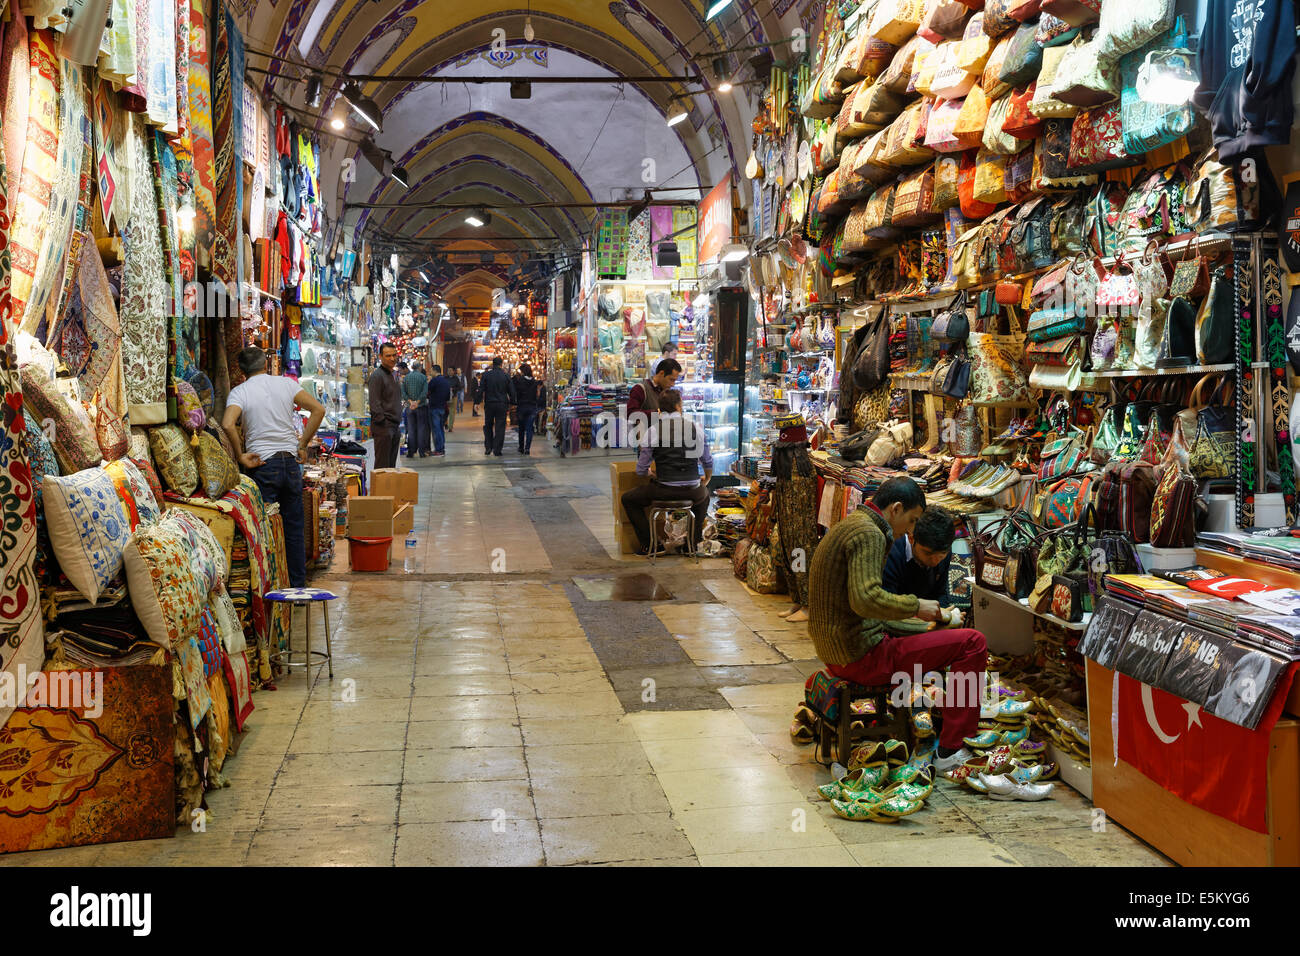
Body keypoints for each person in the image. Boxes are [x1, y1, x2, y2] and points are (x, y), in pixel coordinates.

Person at [807, 477, 988, 775]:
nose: (911, 529)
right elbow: (866, 600)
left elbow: (866, 607)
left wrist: (924, 624)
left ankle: (937, 723)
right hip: (862, 657)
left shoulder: (852, 525)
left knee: (951, 637)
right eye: (912, 520)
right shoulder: (870, 534)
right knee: (973, 642)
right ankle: (951, 748)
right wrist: (920, 607)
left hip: (840, 651)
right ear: (896, 508)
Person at [221, 347, 326, 588]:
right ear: (266, 363)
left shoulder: (240, 391)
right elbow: (319, 410)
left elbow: (227, 424)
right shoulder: (286, 384)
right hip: (290, 463)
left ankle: (271, 588)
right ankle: (297, 587)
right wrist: (302, 443)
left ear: (241, 370)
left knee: (264, 528)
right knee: (293, 529)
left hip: (263, 465)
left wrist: (240, 456)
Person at [620, 389, 712, 557]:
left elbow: (640, 470)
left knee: (628, 499)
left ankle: (651, 545)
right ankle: (691, 544)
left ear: (660, 410)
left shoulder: (654, 431)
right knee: (704, 496)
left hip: (664, 490)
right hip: (693, 490)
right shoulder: (696, 429)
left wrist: (651, 474)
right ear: (679, 406)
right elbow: (707, 461)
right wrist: (706, 480)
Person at [882, 506, 958, 632]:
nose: (935, 561)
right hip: (896, 626)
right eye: (928, 553)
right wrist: (929, 626)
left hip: (927, 622)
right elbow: (887, 610)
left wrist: (946, 618)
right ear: (911, 538)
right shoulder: (891, 553)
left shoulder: (943, 552)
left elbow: (940, 593)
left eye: (942, 554)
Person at [367, 342, 402, 468]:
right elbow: (374, 403)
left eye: (394, 355)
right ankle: (381, 489)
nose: (392, 358)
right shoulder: (377, 376)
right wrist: (383, 423)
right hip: (384, 427)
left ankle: (389, 488)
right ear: (380, 357)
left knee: (390, 466)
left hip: (394, 426)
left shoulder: (393, 375)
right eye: (388, 356)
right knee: (382, 467)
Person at [480, 356, 515, 456]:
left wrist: (477, 402)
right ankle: (497, 449)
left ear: (493, 364)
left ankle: (488, 447)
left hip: (489, 403)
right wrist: (513, 402)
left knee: (488, 425)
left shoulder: (486, 375)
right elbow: (511, 391)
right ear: (501, 364)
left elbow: (481, 389)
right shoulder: (505, 376)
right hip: (502, 404)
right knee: (500, 426)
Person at [514, 363, 545, 455]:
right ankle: (527, 448)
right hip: (531, 407)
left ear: (523, 371)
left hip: (522, 407)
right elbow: (537, 395)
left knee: (521, 429)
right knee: (529, 429)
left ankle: (521, 447)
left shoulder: (520, 381)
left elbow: (517, 394)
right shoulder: (535, 382)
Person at [402, 361, 430, 458]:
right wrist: (417, 402)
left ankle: (411, 452)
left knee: (411, 430)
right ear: (420, 367)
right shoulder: (423, 377)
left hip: (410, 407)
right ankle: (422, 452)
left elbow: (403, 392)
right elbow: (425, 392)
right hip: (421, 406)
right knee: (421, 429)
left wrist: (410, 402)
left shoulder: (406, 378)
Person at [426, 363, 452, 457]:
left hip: (434, 408)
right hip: (442, 407)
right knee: (440, 429)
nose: (430, 372)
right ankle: (441, 448)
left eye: (431, 370)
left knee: (436, 429)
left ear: (434, 371)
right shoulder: (446, 381)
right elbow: (448, 396)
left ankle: (439, 450)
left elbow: (427, 392)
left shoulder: (434, 381)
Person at [447, 367, 463, 433]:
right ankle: (445, 423)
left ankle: (450, 427)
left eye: (450, 370)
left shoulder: (456, 379)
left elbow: (459, 387)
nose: (449, 372)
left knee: (452, 412)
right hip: (445, 397)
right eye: (448, 370)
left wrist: (453, 389)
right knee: (445, 412)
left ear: (454, 371)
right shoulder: (445, 378)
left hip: (453, 397)